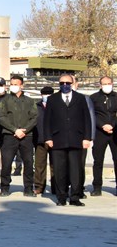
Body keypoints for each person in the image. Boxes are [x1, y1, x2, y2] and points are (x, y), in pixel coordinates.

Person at [43, 73, 93, 206]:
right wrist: (48, 137)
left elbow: (86, 119)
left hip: (77, 139)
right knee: (59, 170)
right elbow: (47, 120)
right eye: (61, 83)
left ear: (72, 84)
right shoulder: (52, 99)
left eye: (67, 83)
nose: (64, 85)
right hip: (57, 139)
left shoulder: (80, 98)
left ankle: (75, 197)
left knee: (76, 170)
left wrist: (87, 137)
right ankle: (61, 197)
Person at [0, 76, 38, 196]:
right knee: (7, 162)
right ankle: (4, 188)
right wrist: (14, 129)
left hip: (27, 136)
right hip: (9, 135)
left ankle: (29, 188)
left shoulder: (30, 101)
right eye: (12, 84)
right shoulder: (4, 101)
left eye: (16, 84)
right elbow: (1, 117)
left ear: (22, 85)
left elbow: (34, 117)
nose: (13, 86)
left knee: (29, 162)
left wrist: (24, 131)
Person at [89, 76, 115, 196]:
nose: (107, 85)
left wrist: (112, 125)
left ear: (112, 83)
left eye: (109, 83)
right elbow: (92, 115)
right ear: (100, 85)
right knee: (98, 160)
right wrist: (103, 125)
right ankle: (97, 186)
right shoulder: (94, 98)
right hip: (100, 132)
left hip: (115, 132)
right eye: (104, 84)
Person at [33, 86, 54, 195]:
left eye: (49, 94)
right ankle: (39, 186)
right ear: (41, 95)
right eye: (44, 94)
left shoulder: (57, 106)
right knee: (39, 165)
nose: (46, 96)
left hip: (55, 140)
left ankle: (56, 186)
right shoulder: (36, 106)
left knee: (55, 165)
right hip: (40, 139)